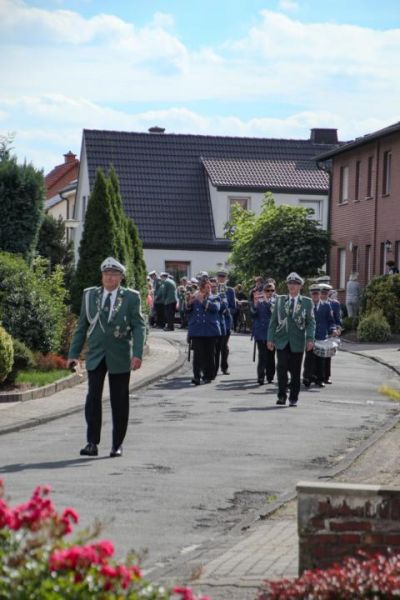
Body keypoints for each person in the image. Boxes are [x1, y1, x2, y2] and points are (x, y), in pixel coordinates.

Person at [68, 257, 146, 458]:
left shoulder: (131, 297)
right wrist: (73, 354)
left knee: (119, 400)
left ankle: (117, 444)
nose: (110, 277)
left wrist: (137, 353)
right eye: (107, 274)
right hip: (96, 354)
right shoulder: (90, 295)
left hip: (120, 354)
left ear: (121, 277)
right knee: (93, 398)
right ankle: (91, 442)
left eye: (114, 274)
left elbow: (139, 326)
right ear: (102, 275)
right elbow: (82, 326)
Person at [267, 272, 315, 407]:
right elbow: (273, 321)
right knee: (281, 368)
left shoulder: (307, 302)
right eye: (290, 283)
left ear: (300, 286)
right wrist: (270, 338)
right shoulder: (280, 300)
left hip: (297, 342)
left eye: (295, 284)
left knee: (295, 371)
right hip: (282, 340)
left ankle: (293, 397)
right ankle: (282, 395)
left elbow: (311, 322)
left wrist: (310, 339)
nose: (292, 286)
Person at [187, 279, 221, 385]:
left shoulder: (215, 297)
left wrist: (203, 301)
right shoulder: (195, 298)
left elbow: (215, 308)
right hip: (197, 330)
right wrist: (189, 303)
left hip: (210, 330)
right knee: (197, 354)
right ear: (201, 288)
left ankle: (208, 376)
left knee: (209, 354)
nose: (208, 289)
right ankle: (196, 376)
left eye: (209, 287)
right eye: (205, 287)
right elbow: (187, 312)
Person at [302, 284, 337, 388]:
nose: (315, 295)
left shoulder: (326, 306)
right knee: (309, 358)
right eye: (313, 294)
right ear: (311, 294)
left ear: (320, 294)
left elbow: (331, 321)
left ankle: (320, 379)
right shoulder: (306, 306)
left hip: (321, 336)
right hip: (310, 336)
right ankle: (307, 377)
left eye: (317, 293)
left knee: (321, 359)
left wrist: (333, 329)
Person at [250, 282, 276, 385]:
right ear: (264, 291)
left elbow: (274, 312)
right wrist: (255, 305)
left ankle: (270, 376)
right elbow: (253, 315)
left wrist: (266, 301)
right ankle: (260, 377)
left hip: (272, 333)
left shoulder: (276, 301)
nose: (270, 292)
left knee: (271, 356)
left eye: (272, 290)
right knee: (262, 356)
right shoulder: (258, 301)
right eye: (267, 290)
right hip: (260, 332)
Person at [216, 269, 236, 374]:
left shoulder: (230, 290)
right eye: (219, 276)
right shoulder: (213, 289)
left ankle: (224, 367)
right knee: (215, 346)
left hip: (226, 322)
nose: (221, 278)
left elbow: (233, 307)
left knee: (223, 346)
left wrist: (227, 310)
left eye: (223, 277)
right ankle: (213, 369)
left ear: (226, 278)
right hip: (215, 322)